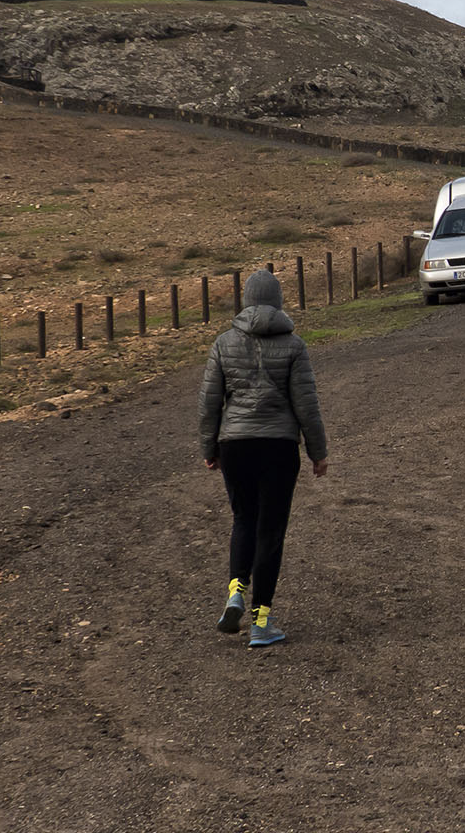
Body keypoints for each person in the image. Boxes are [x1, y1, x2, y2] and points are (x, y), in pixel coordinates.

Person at [196, 269, 329, 648]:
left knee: (243, 520)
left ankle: (236, 590)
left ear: (245, 301)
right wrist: (317, 452)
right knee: (271, 531)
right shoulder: (294, 345)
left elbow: (208, 405)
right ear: (278, 301)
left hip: (235, 444)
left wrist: (210, 449)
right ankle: (261, 622)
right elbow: (307, 405)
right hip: (278, 447)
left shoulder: (223, 344)